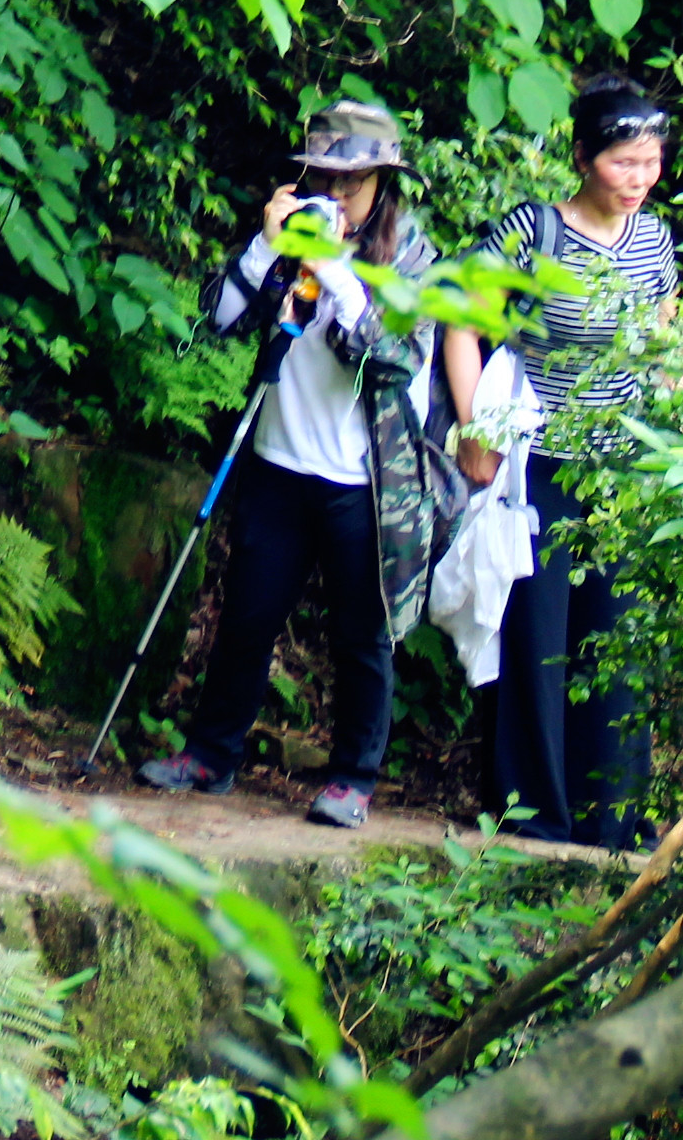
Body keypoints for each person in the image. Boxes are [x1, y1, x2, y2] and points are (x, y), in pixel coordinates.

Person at [137, 100, 454, 828]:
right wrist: (264, 246)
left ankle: (353, 779)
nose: (335, 193)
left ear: (382, 182)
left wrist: (337, 274)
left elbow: (394, 362)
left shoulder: (411, 260)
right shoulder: (289, 236)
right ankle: (211, 754)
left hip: (362, 480)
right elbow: (217, 319)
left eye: (352, 180)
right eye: (322, 176)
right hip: (278, 459)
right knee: (247, 616)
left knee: (361, 634)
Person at [441, 71, 680, 850]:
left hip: (625, 465)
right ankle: (534, 815)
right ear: (582, 158)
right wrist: (475, 428)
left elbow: (663, 335)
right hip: (541, 460)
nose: (639, 178)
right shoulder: (533, 230)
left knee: (616, 638)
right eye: (623, 163)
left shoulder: (654, 239)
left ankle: (612, 819)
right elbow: (461, 320)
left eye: (651, 162)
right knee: (537, 637)